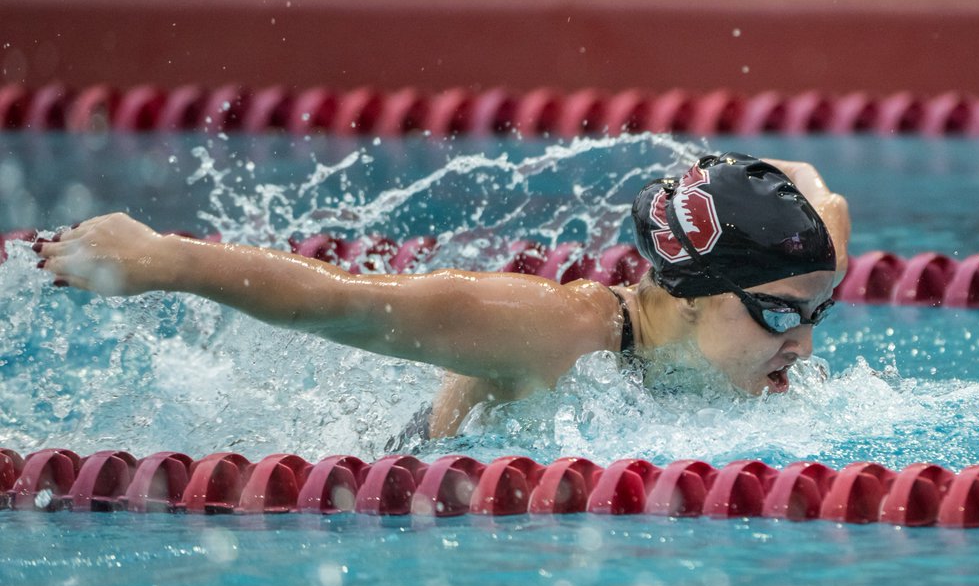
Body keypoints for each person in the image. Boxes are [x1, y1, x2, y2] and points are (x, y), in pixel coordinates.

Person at [33, 152, 851, 438]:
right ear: (695, 293)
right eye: (780, 315)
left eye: (819, 313)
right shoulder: (548, 332)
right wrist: (161, 258)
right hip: (410, 479)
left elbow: (825, 202)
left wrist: (723, 182)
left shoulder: (802, 259)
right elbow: (341, 300)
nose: (805, 344)